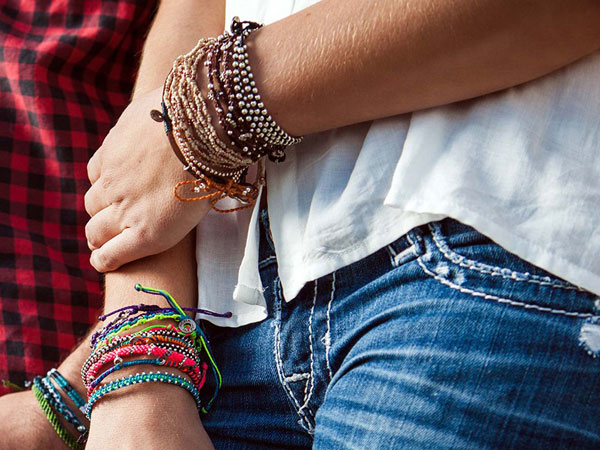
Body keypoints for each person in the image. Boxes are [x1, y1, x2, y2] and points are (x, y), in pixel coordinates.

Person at [3, 0, 600, 448]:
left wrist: (214, 104)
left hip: (469, 248)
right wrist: (137, 367)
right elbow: (162, 115)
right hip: (220, 337)